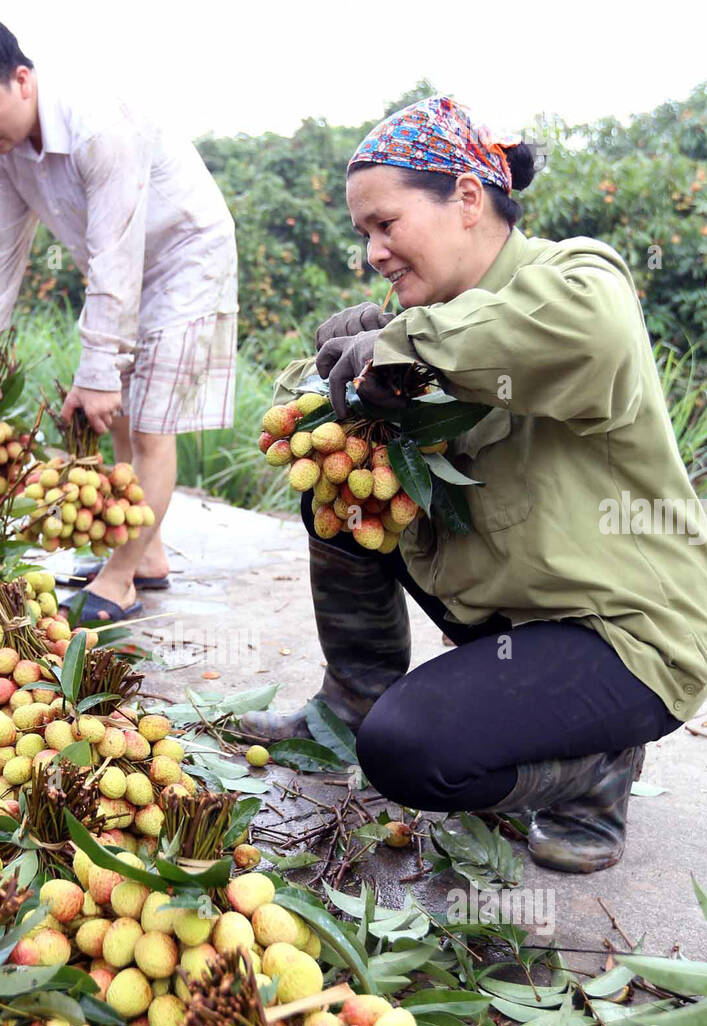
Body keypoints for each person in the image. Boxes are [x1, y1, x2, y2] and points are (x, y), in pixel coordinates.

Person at [240, 97, 707, 873]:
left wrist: (398, 345)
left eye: (385, 226)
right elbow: (413, 466)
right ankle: (348, 702)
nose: (373, 254)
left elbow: (580, 335)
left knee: (410, 755)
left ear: (464, 196)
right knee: (336, 498)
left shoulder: (579, 276)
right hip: (507, 618)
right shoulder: (427, 312)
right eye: (364, 235)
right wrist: (363, 393)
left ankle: (596, 770)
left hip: (621, 634)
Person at [0, 14, 238, 622]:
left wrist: (98, 370)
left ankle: (118, 580)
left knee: (148, 427)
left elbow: (116, 247)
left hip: (185, 259)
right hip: (119, 271)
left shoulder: (99, 124)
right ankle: (146, 558)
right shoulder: (7, 155)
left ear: (21, 79)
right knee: (117, 420)